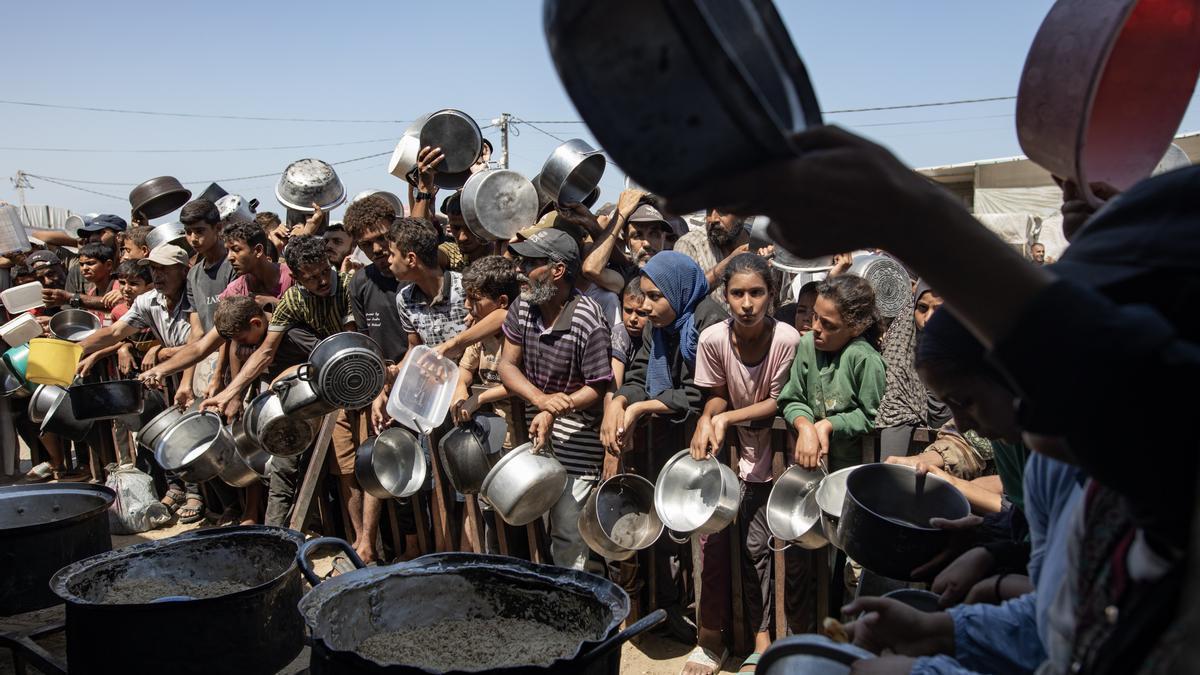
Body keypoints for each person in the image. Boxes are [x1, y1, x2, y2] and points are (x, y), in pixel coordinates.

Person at [686, 253, 801, 675]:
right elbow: (715, 391)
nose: (747, 302)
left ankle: (763, 642)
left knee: (766, 551)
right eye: (738, 293)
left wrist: (724, 417)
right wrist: (705, 417)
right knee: (713, 542)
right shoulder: (714, 339)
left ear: (771, 295)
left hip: (778, 458)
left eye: (756, 292)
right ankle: (711, 640)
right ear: (726, 296)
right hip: (731, 457)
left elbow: (779, 401)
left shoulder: (787, 338)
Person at [496, 228, 613, 569]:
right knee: (527, 517)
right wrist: (541, 400)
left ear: (557, 270)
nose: (521, 269)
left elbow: (597, 387)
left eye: (531, 262)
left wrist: (557, 406)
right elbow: (506, 365)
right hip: (535, 425)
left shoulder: (587, 318)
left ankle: (572, 603)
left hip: (580, 434)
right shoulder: (523, 307)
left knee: (567, 530)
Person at [78, 244, 199, 519]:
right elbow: (118, 331)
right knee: (168, 432)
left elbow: (200, 345)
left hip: (197, 370)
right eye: (154, 268)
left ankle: (198, 494)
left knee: (194, 433)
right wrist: (78, 347)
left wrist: (166, 357)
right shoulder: (149, 300)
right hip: (169, 373)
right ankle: (178, 488)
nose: (157, 275)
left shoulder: (195, 298)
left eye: (164, 269)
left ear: (183, 270)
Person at [777, 274, 886, 472]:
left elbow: (872, 415)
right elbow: (792, 399)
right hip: (808, 466)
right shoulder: (806, 344)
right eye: (815, 317)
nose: (815, 328)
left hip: (851, 470)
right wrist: (805, 426)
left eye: (828, 324)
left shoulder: (865, 359)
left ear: (856, 327)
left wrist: (830, 424)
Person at [877, 279, 952, 459]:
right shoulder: (900, 361)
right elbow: (891, 463)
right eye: (923, 308)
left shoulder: (978, 362)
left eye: (940, 310)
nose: (928, 319)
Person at [672, 207, 752, 309]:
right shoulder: (689, 244)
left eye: (723, 211)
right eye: (709, 211)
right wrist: (728, 263)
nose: (713, 219)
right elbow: (681, 297)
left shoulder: (762, 241)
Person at [218, 220, 292, 309]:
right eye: (227, 251)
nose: (229, 257)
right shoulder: (235, 290)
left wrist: (277, 304)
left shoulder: (293, 277)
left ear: (258, 250)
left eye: (236, 249)